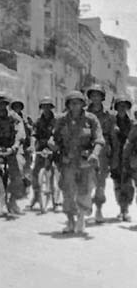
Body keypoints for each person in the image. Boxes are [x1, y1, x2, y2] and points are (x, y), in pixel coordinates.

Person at [50, 90, 104, 234]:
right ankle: (70, 221)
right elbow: (54, 137)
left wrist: (94, 154)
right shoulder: (61, 119)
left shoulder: (91, 119)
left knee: (84, 191)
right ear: (67, 105)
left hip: (85, 162)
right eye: (72, 103)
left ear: (83, 104)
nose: (75, 106)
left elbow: (99, 139)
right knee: (68, 192)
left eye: (78, 103)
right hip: (67, 161)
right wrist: (51, 145)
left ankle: (81, 217)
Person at [85, 84, 117, 223]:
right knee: (86, 180)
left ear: (102, 97)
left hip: (103, 151)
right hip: (86, 149)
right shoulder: (84, 112)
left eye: (98, 95)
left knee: (100, 183)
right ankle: (86, 202)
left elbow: (113, 136)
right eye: (93, 95)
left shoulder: (109, 116)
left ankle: (98, 209)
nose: (95, 97)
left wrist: (114, 156)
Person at [29, 96, 58, 211]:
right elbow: (33, 134)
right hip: (41, 147)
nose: (46, 109)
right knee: (35, 172)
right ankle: (36, 196)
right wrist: (32, 146)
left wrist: (52, 145)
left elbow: (55, 133)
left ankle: (56, 199)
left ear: (51, 108)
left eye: (48, 107)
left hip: (53, 146)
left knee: (55, 171)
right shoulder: (38, 121)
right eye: (44, 107)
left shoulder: (56, 120)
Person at [111, 95, 133, 221]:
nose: (122, 108)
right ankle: (121, 209)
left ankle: (126, 210)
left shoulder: (132, 123)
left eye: (125, 106)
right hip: (115, 157)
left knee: (128, 185)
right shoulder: (111, 122)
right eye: (120, 105)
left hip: (128, 158)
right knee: (117, 184)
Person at [10, 98, 34, 190]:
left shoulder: (25, 118)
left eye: (18, 106)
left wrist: (31, 144)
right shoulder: (11, 117)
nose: (17, 108)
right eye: (15, 106)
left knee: (25, 165)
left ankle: (25, 182)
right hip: (15, 142)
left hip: (25, 143)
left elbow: (31, 130)